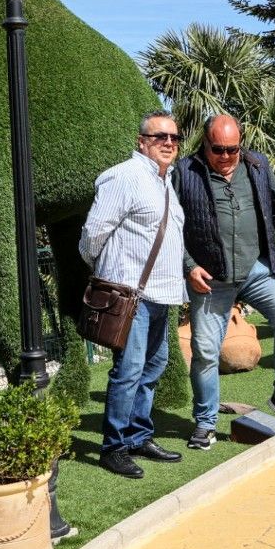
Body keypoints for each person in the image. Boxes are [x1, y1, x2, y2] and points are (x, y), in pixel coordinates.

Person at [176, 114, 275, 451]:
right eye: (218, 149)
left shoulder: (257, 165)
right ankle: (205, 423)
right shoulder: (184, 172)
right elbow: (169, 227)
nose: (225, 156)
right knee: (205, 352)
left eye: (232, 149)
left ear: (241, 144)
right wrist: (189, 266)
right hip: (211, 277)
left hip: (257, 268)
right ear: (204, 144)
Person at [80, 110, 188, 479]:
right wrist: (111, 277)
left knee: (152, 368)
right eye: (161, 137)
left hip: (162, 295)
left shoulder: (165, 181)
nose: (169, 143)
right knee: (128, 371)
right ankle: (113, 447)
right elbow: (93, 234)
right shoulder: (124, 177)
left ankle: (139, 436)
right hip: (132, 295)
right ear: (142, 142)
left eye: (175, 137)